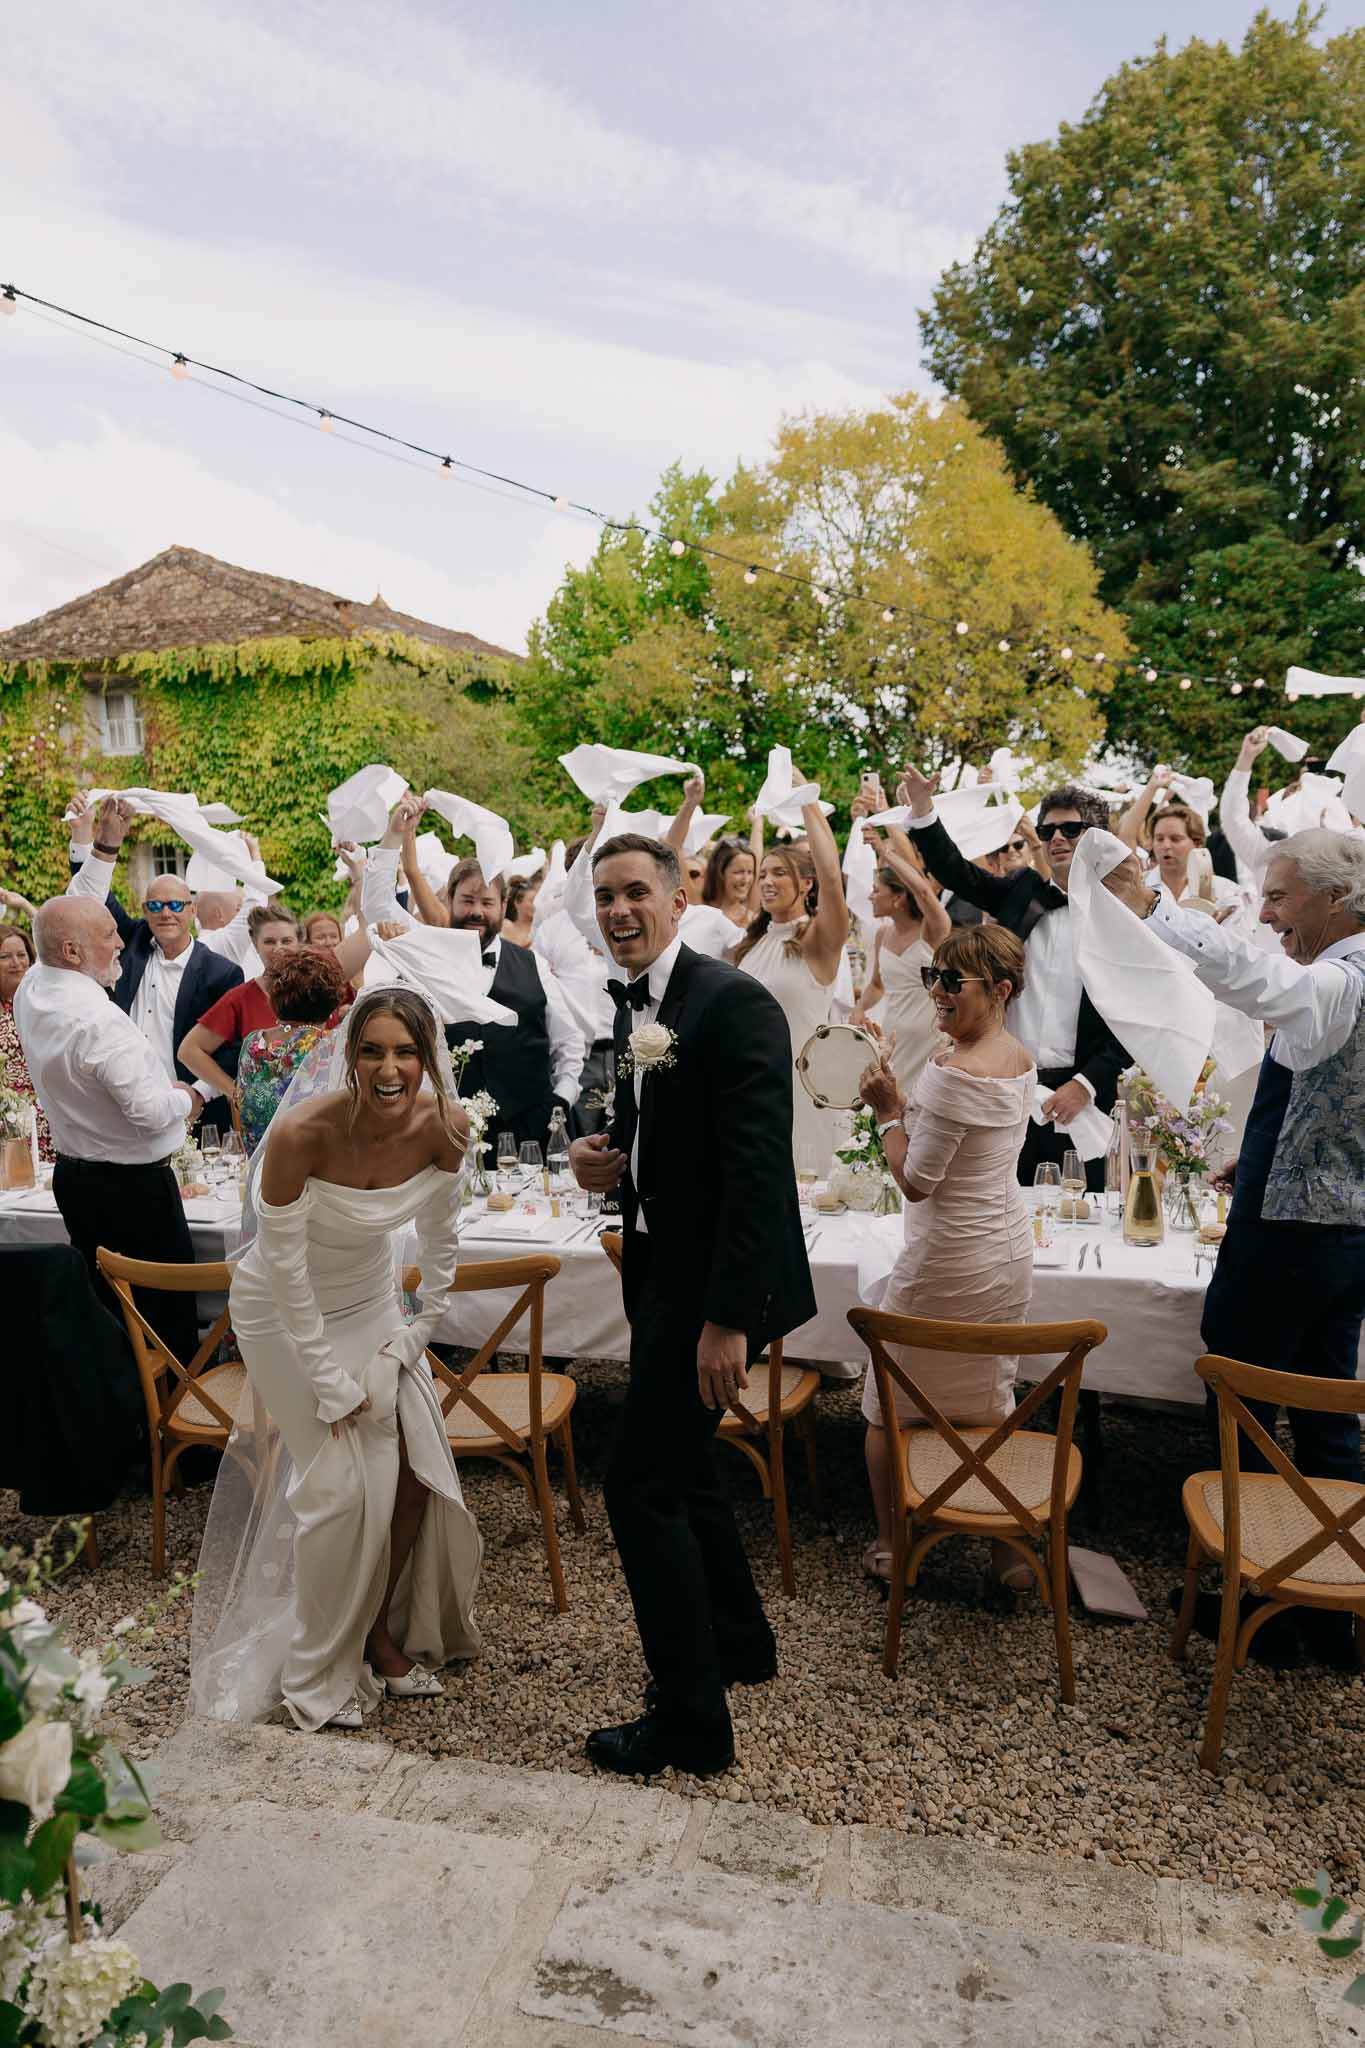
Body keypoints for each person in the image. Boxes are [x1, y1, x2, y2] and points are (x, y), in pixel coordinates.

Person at [569, 833, 815, 1777]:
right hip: (661, 1271)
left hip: (711, 1284)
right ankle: (741, 1641)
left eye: (635, 893)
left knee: (641, 1490)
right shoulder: (643, 1005)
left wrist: (729, 1320)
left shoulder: (732, 1001)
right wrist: (605, 1156)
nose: (618, 911)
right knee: (688, 1465)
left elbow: (757, 1175)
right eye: (604, 897)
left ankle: (690, 1723)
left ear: (678, 901)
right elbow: (659, 1135)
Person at [194, 986, 483, 1732]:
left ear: (427, 1059)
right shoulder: (302, 1132)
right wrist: (327, 1379)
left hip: (373, 1306)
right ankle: (319, 1662)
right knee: (339, 1491)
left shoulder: (447, 1128)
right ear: (348, 1057)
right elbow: (284, 1270)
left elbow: (443, 1259)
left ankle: (379, 1632)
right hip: (283, 1319)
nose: (390, 1069)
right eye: (372, 1050)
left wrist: (405, 1344)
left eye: (406, 1052)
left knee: (416, 1471)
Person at [1102, 829, 1365, 1486]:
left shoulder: (1337, 981)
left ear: (1336, 897)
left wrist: (1153, 911)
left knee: (1241, 1395)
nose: (1266, 913)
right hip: (1344, 1228)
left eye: (1277, 897)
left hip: (1289, 1237)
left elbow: (1257, 979)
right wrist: (1260, 1161)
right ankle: (1324, 1568)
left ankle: (1246, 1567)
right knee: (1325, 1401)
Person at [854, 924, 1036, 1585]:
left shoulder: (954, 1070)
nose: (935, 991)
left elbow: (915, 1180)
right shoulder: (1015, 1054)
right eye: (932, 976)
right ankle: (1005, 1549)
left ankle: (892, 1543)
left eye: (950, 982)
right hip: (1006, 1248)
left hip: (949, 1254)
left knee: (887, 1403)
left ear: (1000, 990)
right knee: (988, 1399)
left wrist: (886, 1112)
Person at [898, 768, 1129, 1191]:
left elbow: (1135, 1018)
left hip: (1079, 1095)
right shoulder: (1023, 889)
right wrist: (922, 810)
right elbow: (956, 874)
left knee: (1080, 1211)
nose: (1057, 838)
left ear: (1098, 837)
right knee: (1000, 1202)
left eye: (1071, 829)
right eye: (1049, 829)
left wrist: (1086, 1084)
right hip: (1005, 1085)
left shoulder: (1123, 914)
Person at [15, 896, 205, 1365]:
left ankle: (126, 1417)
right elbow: (150, 1112)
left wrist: (99, 849)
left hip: (75, 1181)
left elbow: (62, 914)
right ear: (72, 952)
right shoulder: (99, 1021)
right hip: (135, 1194)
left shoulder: (31, 989)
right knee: (166, 1321)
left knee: (107, 1316)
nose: (122, 941)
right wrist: (188, 1096)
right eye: (107, 935)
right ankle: (178, 1424)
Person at [365, 796, 584, 1145]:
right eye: (467, 900)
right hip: (447, 1131)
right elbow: (377, 905)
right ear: (449, 901)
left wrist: (561, 1099)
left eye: (486, 903)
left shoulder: (534, 964)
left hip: (531, 1130)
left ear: (502, 907)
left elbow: (569, 1042)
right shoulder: (426, 952)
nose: (477, 912)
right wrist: (394, 835)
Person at [64, 797, 244, 1116]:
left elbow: (233, 1048)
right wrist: (85, 838)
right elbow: (90, 897)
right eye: (156, 905)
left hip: (192, 1110)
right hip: (122, 1103)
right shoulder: (130, 942)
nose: (166, 913)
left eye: (175, 906)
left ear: (191, 910)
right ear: (144, 911)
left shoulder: (222, 972)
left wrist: (198, 1095)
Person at [732, 802, 849, 1169]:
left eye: (779, 873)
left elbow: (832, 874)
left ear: (805, 884)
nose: (766, 882)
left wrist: (806, 801)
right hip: (748, 1088)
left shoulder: (817, 939)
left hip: (800, 1090)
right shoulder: (751, 944)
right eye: (762, 874)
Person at [849, 850, 949, 1110]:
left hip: (930, 1038)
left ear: (898, 897)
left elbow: (926, 894)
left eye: (876, 889)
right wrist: (859, 1008)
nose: (870, 895)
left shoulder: (932, 931)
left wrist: (885, 852)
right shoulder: (882, 934)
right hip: (893, 1037)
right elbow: (877, 985)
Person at [177, 907, 304, 1104]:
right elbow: (189, 1050)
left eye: (286, 941)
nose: (278, 948)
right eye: (269, 941)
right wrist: (237, 1094)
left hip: (315, 1113)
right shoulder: (241, 998)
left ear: (299, 943)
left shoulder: (316, 991)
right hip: (262, 1122)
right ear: (255, 944)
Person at [235, 946, 353, 1155]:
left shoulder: (253, 1043)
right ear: (332, 999)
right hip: (310, 1168)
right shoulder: (328, 1045)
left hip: (259, 1164)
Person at [0, 923, 53, 1161]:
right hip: (9, 1125)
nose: (17, 963)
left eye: (22, 955)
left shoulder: (42, 1002)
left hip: (49, 1119)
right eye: (5, 957)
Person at [501, 872, 541, 947]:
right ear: (517, 903)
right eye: (532, 901)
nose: (536, 905)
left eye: (537, 900)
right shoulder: (505, 926)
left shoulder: (541, 930)